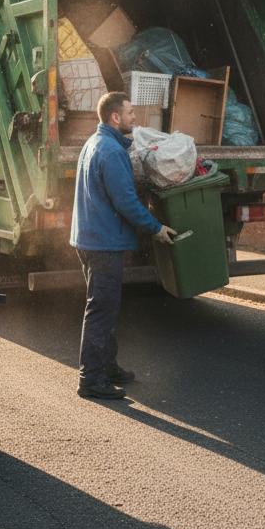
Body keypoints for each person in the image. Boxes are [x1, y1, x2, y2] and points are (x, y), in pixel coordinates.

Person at [71, 91, 178, 400]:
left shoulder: (95, 143)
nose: (135, 117)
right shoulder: (112, 151)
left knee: (105, 304)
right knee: (102, 308)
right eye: (130, 113)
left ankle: (106, 364)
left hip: (90, 238)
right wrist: (155, 227)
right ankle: (90, 378)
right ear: (115, 117)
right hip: (103, 242)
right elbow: (126, 202)